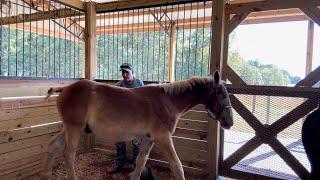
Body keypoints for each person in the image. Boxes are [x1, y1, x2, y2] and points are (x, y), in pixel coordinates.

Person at [111, 62, 144, 173]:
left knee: (137, 144)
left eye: (127, 72)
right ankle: (120, 164)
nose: (125, 75)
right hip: (122, 119)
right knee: (119, 142)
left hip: (136, 120)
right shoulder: (119, 85)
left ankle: (136, 167)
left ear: (132, 72)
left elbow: (144, 101)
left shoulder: (139, 83)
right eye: (123, 72)